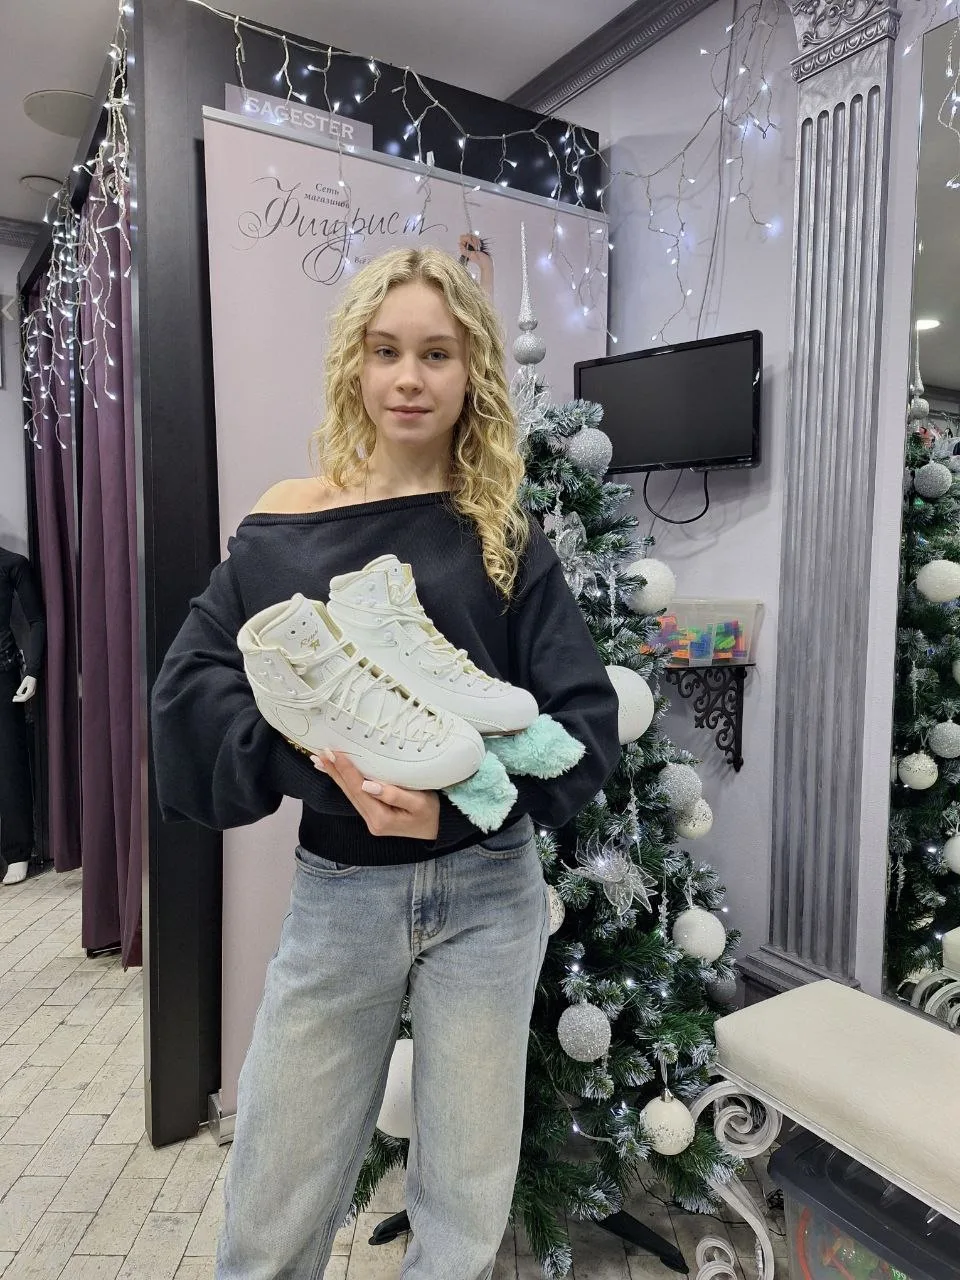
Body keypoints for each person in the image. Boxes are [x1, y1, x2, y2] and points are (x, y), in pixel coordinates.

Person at [151, 246, 620, 1280]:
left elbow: (582, 722)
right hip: (342, 893)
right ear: (355, 365)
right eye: (387, 350)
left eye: (437, 353)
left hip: (491, 891)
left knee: (463, 1205)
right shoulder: (286, 522)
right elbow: (190, 694)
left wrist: (458, 808)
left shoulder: (503, 534)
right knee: (274, 1197)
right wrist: (331, 774)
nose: (410, 377)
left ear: (471, 371)